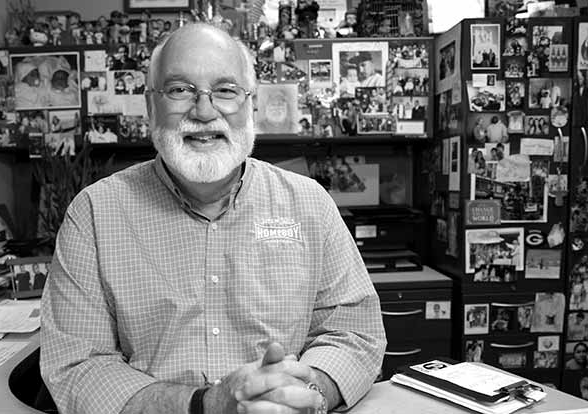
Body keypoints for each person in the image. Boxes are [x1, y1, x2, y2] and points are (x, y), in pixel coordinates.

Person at [40, 23, 386, 414]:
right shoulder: (94, 214)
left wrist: (305, 393)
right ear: (152, 105)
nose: (204, 112)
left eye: (224, 90)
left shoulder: (310, 204)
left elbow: (355, 333)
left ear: (250, 104)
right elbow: (78, 365)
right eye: (180, 90)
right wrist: (206, 406)